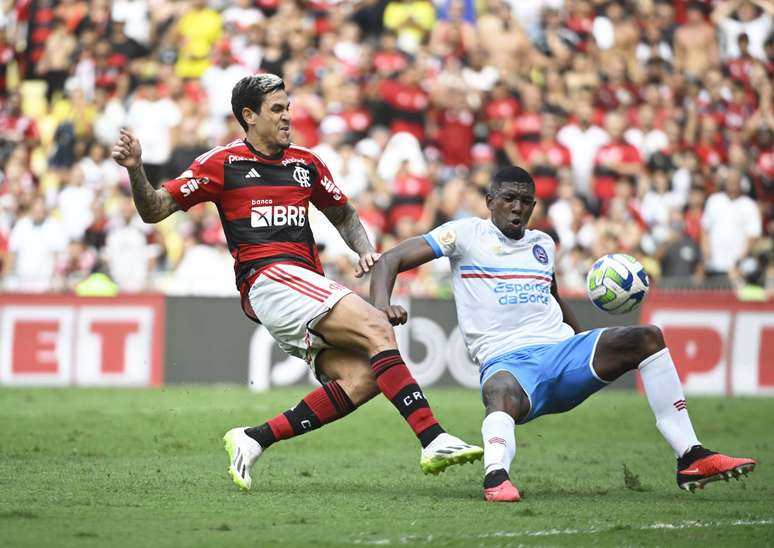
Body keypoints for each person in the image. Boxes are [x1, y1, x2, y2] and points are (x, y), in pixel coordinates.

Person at [111, 73, 482, 492]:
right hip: (268, 279)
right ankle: (433, 438)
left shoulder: (305, 164)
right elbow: (155, 209)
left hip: (302, 285)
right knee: (378, 327)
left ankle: (254, 438)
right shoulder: (223, 163)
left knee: (365, 377)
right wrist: (137, 170)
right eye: (277, 110)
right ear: (248, 116)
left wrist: (363, 249)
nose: (288, 116)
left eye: (288, 107)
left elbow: (343, 213)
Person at [370, 165, 756, 502]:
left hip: (562, 352)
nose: (518, 207)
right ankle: (496, 477)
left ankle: (691, 456)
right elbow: (391, 258)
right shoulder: (465, 234)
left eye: (526, 201)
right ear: (489, 201)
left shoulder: (543, 245)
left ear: (534, 206)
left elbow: (551, 295)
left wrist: (583, 341)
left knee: (648, 337)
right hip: (508, 363)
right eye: (508, 199)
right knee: (499, 394)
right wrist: (381, 309)